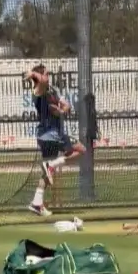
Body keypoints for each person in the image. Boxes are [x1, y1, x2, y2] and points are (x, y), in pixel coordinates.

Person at [24, 64, 86, 217]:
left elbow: (66, 106)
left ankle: (36, 203)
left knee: (46, 173)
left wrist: (60, 110)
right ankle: (52, 165)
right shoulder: (39, 90)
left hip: (55, 134)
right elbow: (37, 79)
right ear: (39, 76)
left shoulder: (52, 90)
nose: (48, 76)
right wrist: (34, 74)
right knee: (81, 150)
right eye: (46, 74)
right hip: (49, 135)